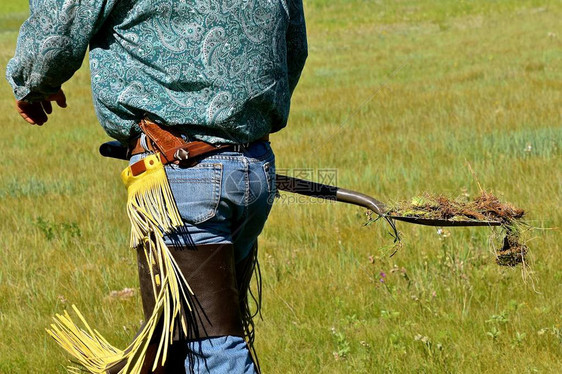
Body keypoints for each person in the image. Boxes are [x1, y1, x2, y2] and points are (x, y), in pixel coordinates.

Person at [6, 1, 307, 373]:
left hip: (184, 180)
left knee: (213, 346)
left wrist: (33, 83)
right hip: (253, 168)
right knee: (184, 344)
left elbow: (62, 18)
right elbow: (293, 46)